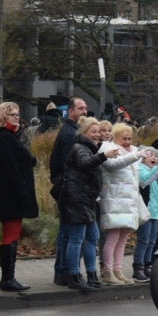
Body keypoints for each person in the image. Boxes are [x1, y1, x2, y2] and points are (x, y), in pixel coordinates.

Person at [58, 117, 120, 291]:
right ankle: (74, 276)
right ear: (84, 133)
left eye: (99, 132)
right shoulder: (79, 148)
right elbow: (85, 164)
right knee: (76, 239)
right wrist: (103, 156)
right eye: (93, 131)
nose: (97, 135)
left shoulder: (92, 149)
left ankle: (91, 274)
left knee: (92, 237)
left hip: (88, 200)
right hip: (76, 200)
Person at [0, 102, 39, 292]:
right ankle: (8, 279)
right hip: (9, 194)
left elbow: (16, 160)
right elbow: (11, 170)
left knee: (10, 234)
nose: (17, 117)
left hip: (6, 193)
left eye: (18, 114)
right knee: (11, 234)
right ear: (2, 117)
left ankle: (8, 278)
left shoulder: (6, 137)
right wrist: (22, 195)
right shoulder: (6, 138)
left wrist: (28, 160)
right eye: (12, 115)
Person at [98, 124, 153, 285]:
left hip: (129, 201)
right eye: (124, 138)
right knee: (113, 238)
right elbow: (113, 164)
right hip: (115, 199)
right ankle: (108, 271)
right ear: (115, 138)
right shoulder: (108, 148)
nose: (127, 142)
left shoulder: (134, 151)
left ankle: (118, 270)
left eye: (129, 138)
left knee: (122, 238)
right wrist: (136, 155)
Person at [49, 97, 88, 285]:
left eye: (85, 108)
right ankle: (65, 271)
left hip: (66, 185)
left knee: (66, 231)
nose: (84, 111)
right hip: (69, 188)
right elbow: (68, 163)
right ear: (70, 111)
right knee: (69, 232)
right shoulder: (70, 134)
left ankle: (62, 271)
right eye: (80, 108)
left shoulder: (72, 131)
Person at [133, 149, 158, 283]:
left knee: (152, 241)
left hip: (154, 212)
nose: (154, 157)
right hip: (145, 211)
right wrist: (157, 170)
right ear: (143, 158)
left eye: (155, 155)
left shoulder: (154, 172)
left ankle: (148, 265)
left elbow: (157, 195)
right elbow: (144, 181)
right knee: (144, 240)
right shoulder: (142, 169)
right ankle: (138, 267)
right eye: (150, 155)